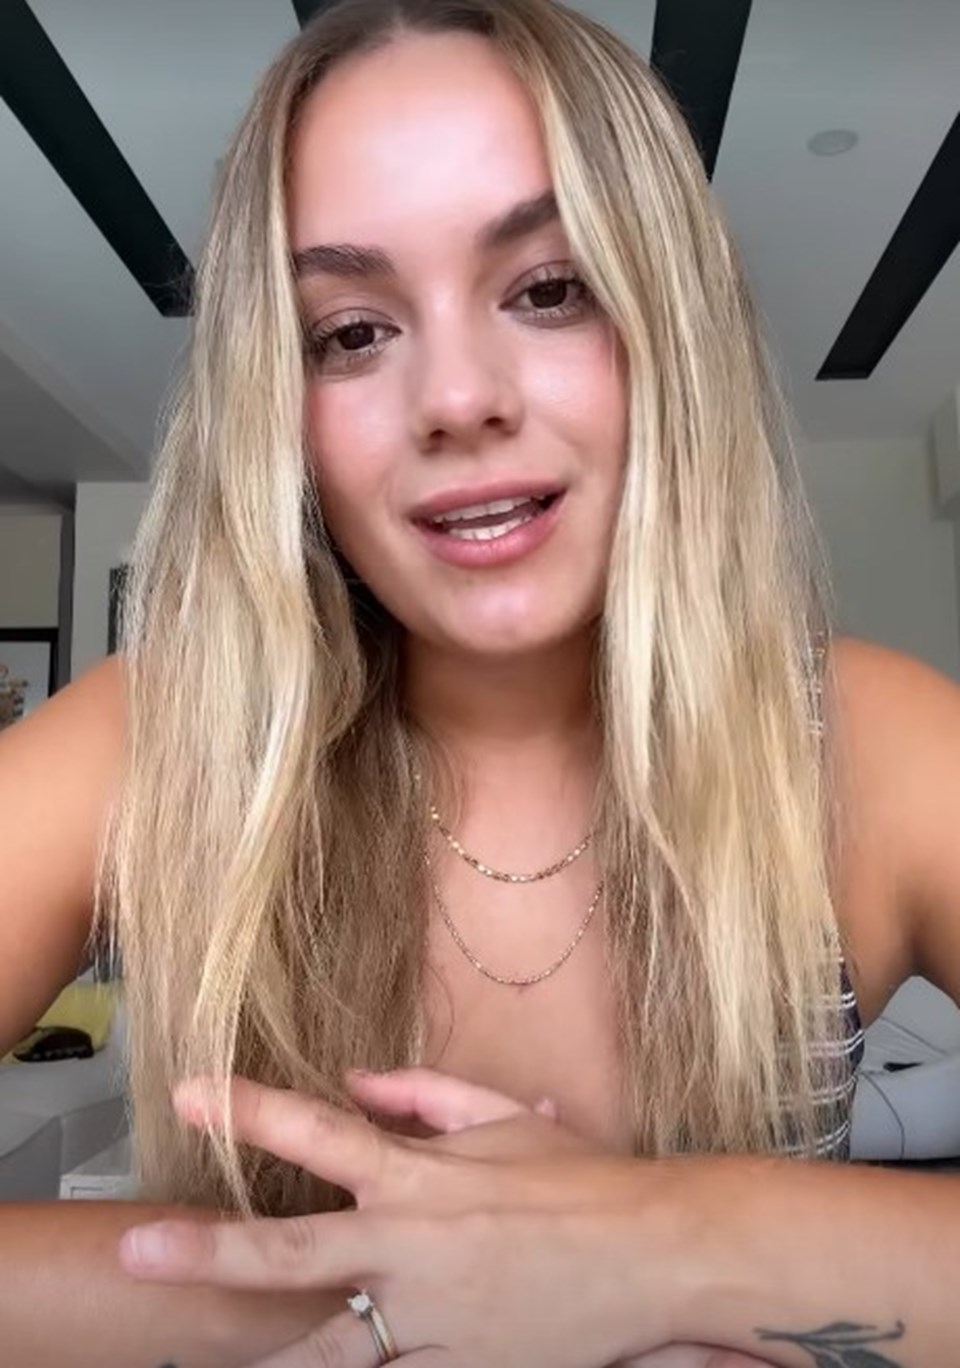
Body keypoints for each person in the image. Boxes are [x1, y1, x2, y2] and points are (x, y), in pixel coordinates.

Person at [2, 0, 960, 1363]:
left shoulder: (870, 746)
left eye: (549, 287)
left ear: (668, 327)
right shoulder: (160, 740)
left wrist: (650, 1244)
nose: (457, 398)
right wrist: (369, 1286)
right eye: (351, 332)